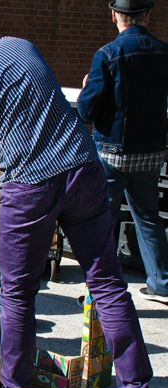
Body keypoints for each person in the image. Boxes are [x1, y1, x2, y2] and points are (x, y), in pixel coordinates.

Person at [0, 30, 161, 388]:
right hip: (82, 167)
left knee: (17, 294)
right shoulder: (19, 43)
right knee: (107, 282)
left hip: (29, 182)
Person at [77, 0, 168, 304]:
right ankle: (161, 284)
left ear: (114, 15)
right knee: (149, 217)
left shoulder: (107, 55)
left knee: (102, 220)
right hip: (152, 153)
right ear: (148, 15)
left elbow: (87, 110)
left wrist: (87, 86)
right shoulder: (163, 52)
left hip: (112, 154)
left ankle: (99, 290)